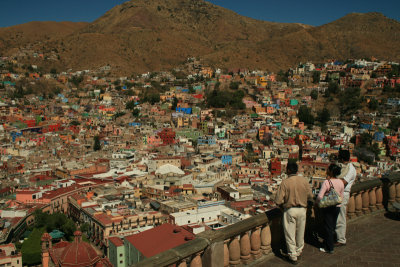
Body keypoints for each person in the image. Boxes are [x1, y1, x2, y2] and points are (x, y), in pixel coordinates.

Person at [275, 162, 313, 265]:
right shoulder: (304, 181)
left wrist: (282, 208)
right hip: (302, 210)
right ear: (296, 170)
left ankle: (292, 256)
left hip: (290, 210)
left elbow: (278, 200)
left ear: (288, 171)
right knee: (300, 232)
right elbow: (310, 196)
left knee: (290, 233)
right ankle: (299, 251)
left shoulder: (285, 183)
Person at [316, 164, 345, 254]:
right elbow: (341, 195)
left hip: (328, 207)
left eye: (328, 169)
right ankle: (329, 244)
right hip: (337, 206)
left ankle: (329, 248)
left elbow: (320, 196)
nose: (327, 170)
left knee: (328, 227)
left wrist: (317, 203)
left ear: (331, 171)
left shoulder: (327, 182)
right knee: (332, 226)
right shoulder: (341, 182)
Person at [335, 149, 356, 246]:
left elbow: (343, 182)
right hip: (337, 193)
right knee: (336, 216)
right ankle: (336, 236)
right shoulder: (343, 166)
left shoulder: (351, 169)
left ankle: (341, 239)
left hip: (343, 194)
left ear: (342, 159)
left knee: (340, 217)